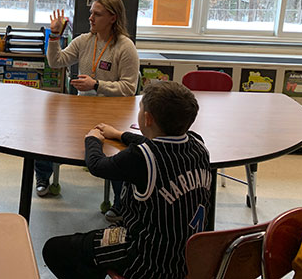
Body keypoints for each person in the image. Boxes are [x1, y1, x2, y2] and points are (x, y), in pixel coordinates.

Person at [42, 81, 212, 279]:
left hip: (145, 259)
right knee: (90, 249)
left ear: (147, 119)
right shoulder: (198, 143)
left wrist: (93, 140)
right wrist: (120, 135)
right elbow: (157, 144)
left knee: (55, 249)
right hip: (188, 258)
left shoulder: (141, 157)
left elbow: (97, 165)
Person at [35, 0, 139, 223]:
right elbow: (56, 62)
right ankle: (42, 177)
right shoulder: (84, 40)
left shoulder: (125, 46)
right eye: (91, 13)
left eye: (97, 14)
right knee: (47, 133)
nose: (90, 18)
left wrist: (97, 84)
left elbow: (130, 88)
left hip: (113, 112)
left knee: (119, 154)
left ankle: (120, 204)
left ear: (113, 17)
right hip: (82, 107)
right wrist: (54, 36)